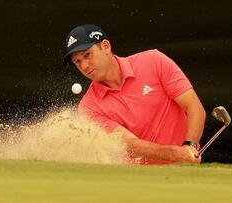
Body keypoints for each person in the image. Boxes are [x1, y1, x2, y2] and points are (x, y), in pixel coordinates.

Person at [63, 24, 206, 164]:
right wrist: (176, 153)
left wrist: (190, 146)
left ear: (106, 46)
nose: (84, 66)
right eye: (77, 62)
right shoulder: (88, 107)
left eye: (87, 55)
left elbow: (194, 107)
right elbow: (130, 145)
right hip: (138, 180)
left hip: (186, 169)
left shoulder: (153, 61)